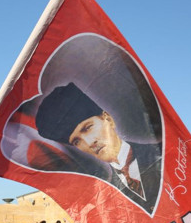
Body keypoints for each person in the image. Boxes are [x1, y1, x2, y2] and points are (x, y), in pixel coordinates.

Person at [35, 82, 162, 211]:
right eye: (76, 141)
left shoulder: (164, 153)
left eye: (88, 128)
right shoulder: (108, 197)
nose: (89, 143)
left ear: (108, 119)